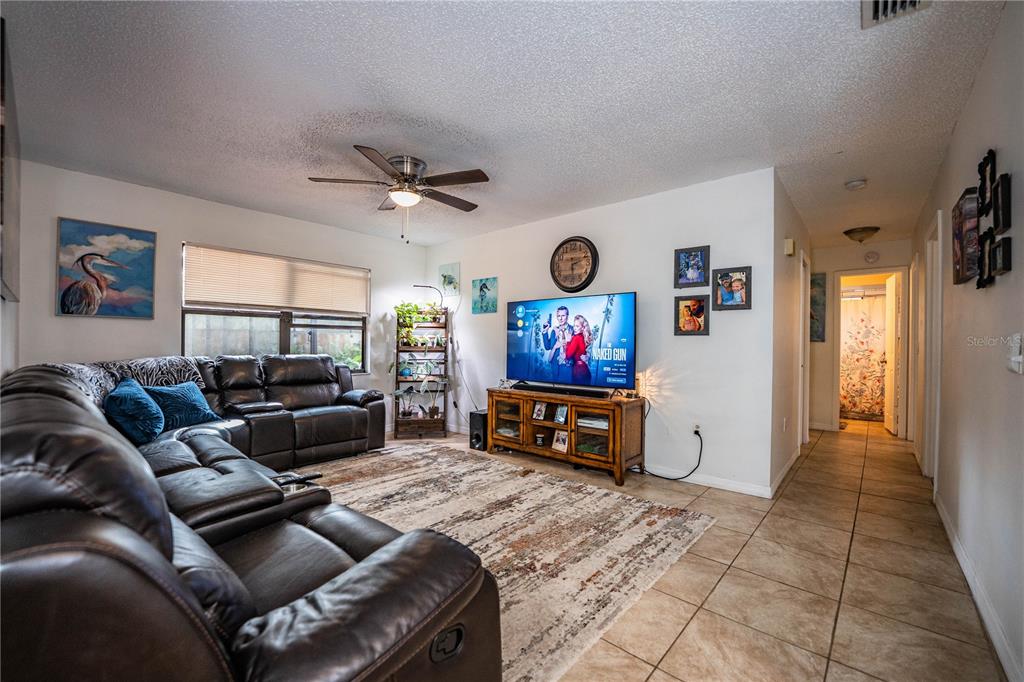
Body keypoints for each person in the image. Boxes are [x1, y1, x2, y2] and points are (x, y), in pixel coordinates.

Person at [542, 305, 572, 382]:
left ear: (567, 316)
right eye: (558, 316)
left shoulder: (573, 330)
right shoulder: (554, 330)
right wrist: (545, 331)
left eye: (563, 315)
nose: (560, 318)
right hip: (555, 367)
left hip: (568, 368)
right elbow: (547, 347)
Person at [564, 314, 593, 384]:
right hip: (585, 370)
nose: (574, 328)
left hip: (578, 371)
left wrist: (568, 341)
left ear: (582, 328)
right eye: (574, 326)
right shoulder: (583, 337)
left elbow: (568, 356)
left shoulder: (576, 338)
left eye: (577, 326)